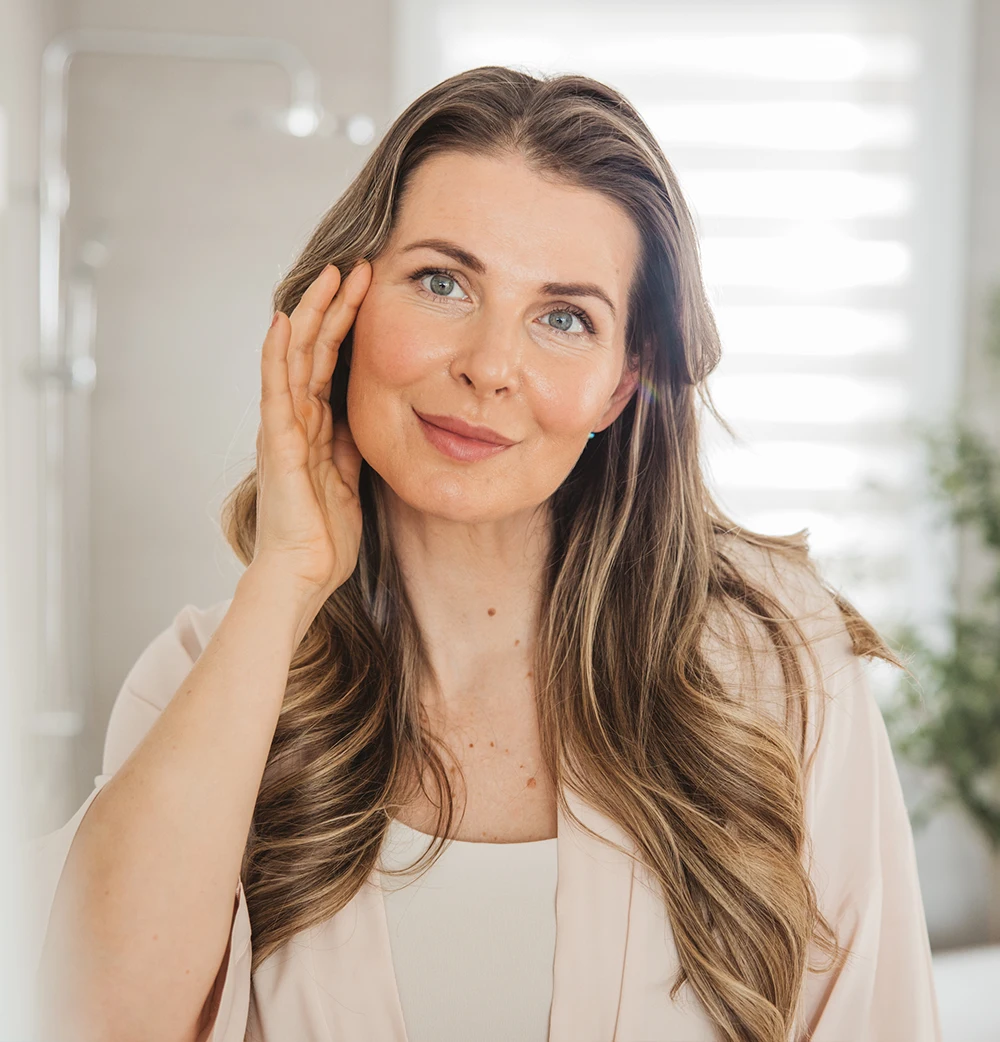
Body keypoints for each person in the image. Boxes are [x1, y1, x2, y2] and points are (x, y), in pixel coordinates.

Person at [26, 65, 942, 1042]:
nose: (489, 365)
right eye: (442, 281)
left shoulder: (778, 666)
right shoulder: (204, 689)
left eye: (563, 317)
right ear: (345, 305)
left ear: (619, 386)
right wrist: (286, 575)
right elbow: (87, 1021)